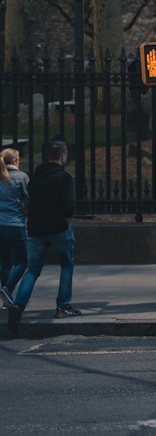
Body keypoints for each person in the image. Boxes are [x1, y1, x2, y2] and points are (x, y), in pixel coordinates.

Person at [8, 140, 79, 334]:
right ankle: (63, 306)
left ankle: (18, 306)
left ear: (47, 156)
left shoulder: (35, 177)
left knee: (32, 270)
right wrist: (65, 224)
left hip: (36, 230)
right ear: (63, 156)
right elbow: (69, 206)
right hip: (58, 229)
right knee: (66, 264)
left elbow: (28, 203)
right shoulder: (64, 178)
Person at [0, 148, 30, 307]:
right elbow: (28, 199)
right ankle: (7, 288)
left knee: (5, 262)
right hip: (15, 224)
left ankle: (7, 297)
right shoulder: (21, 177)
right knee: (22, 262)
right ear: (16, 161)